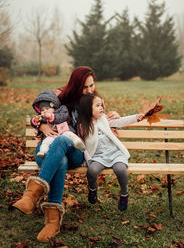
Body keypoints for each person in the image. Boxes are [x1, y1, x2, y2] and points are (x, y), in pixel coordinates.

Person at [12, 66, 119, 242]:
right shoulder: (60, 98)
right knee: (60, 159)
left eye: (91, 85)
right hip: (48, 149)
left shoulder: (93, 100)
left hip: (76, 151)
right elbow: (42, 111)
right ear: (75, 86)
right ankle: (52, 223)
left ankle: (32, 195)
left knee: (63, 141)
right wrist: (42, 125)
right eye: (85, 87)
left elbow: (103, 121)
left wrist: (113, 115)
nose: (89, 90)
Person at [77, 93, 144, 211]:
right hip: (98, 156)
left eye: (101, 105)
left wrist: (136, 117)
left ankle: (124, 193)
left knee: (120, 169)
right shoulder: (83, 126)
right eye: (97, 105)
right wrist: (89, 160)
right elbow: (84, 146)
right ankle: (92, 189)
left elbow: (120, 121)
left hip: (115, 154)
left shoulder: (104, 120)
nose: (102, 107)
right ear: (88, 109)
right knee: (91, 171)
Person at [31, 89, 85, 158]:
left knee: (70, 135)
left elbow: (63, 116)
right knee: (46, 141)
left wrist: (51, 117)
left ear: (53, 106)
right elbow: (34, 122)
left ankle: (77, 142)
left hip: (64, 131)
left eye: (47, 108)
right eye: (42, 110)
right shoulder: (42, 116)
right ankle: (43, 151)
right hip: (52, 135)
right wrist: (35, 120)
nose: (44, 111)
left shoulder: (61, 110)